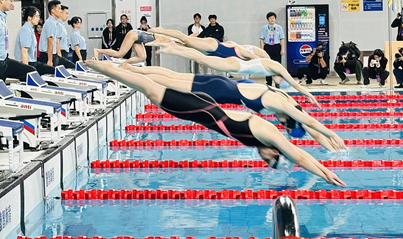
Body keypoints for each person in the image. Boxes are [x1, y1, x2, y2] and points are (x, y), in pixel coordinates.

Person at [86, 61, 346, 186]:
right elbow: (299, 155)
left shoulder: (262, 139)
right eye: (271, 160)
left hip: (204, 109)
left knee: (155, 88)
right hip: (202, 109)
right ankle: (97, 67)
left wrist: (322, 148)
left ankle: (105, 68)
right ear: (276, 152)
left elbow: (301, 140)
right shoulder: (269, 134)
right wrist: (325, 173)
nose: (265, 160)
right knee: (151, 89)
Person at [123, 65, 348, 152]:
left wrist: (330, 144)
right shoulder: (279, 106)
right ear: (289, 122)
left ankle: (130, 68)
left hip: (223, 83)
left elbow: (308, 124)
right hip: (219, 91)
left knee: (173, 75)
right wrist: (332, 135)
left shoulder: (285, 99)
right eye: (287, 128)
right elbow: (308, 122)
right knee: (168, 82)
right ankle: (126, 72)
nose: (283, 127)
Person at [150, 39, 319, 106]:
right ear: (281, 78)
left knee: (202, 59)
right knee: (202, 59)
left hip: (236, 64)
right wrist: (308, 94)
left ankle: (173, 47)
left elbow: (280, 91)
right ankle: (173, 47)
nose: (278, 82)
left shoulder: (271, 69)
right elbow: (295, 84)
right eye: (280, 81)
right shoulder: (277, 67)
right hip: (235, 65)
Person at [151, 27, 261, 60]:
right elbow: (258, 60)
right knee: (185, 39)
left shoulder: (243, 58)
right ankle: (162, 31)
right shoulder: (244, 51)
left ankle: (163, 39)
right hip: (213, 46)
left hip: (211, 52)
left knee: (183, 45)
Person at [17, 6, 55, 75]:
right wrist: (27, 70)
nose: (38, 19)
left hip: (33, 61)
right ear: (29, 17)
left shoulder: (30, 29)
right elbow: (24, 51)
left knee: (52, 70)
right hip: (28, 62)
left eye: (39, 16)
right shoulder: (25, 30)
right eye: (36, 16)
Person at [259, 12, 285, 87]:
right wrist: (262, 50)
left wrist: (282, 49)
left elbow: (282, 39)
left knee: (277, 65)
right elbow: (261, 40)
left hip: (276, 47)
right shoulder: (264, 28)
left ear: (275, 19)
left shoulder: (279, 28)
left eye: (273, 18)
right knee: (267, 65)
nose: (272, 19)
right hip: (268, 47)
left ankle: (278, 82)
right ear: (267, 19)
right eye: (270, 18)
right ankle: (269, 82)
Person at [38, 0, 63, 68]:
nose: (61, 11)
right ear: (53, 11)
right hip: (47, 55)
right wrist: (50, 60)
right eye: (59, 9)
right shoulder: (50, 23)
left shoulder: (54, 23)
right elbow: (50, 42)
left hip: (52, 54)